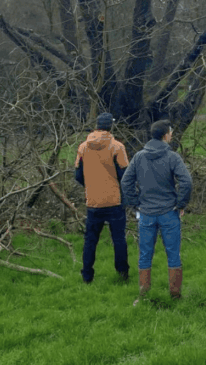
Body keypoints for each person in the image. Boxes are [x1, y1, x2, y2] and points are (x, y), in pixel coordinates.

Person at [121, 120, 193, 305]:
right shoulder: (172, 157)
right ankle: (175, 295)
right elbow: (186, 181)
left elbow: (125, 182)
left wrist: (135, 203)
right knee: (173, 254)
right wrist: (181, 203)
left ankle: (144, 295)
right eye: (171, 132)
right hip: (169, 212)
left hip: (146, 213)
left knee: (145, 254)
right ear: (165, 135)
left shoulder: (138, 157)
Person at [74, 112, 130, 284]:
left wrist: (90, 186)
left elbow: (77, 175)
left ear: (96, 126)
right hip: (114, 200)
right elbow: (125, 175)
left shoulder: (83, 147)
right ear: (111, 126)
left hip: (93, 201)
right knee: (119, 239)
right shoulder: (117, 146)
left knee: (90, 240)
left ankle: (87, 275)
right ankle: (122, 273)